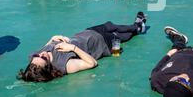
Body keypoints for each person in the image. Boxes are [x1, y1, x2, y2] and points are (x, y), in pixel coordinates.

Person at [17, 12, 147, 82]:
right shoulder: (64, 65)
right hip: (101, 44)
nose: (41, 54)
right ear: (48, 66)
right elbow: (92, 63)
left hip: (87, 33)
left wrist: (52, 39)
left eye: (37, 55)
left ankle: (136, 26)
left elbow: (45, 47)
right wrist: (72, 48)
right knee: (121, 36)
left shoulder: (36, 58)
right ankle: (137, 27)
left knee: (111, 25)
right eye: (43, 58)